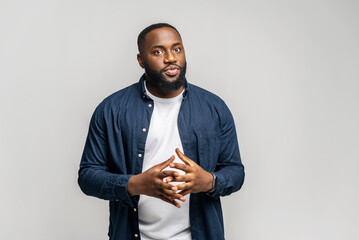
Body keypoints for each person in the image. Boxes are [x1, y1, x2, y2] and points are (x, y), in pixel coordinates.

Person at [78, 23, 245, 240]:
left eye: (177, 49)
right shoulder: (111, 110)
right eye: (158, 51)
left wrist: (209, 181)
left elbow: (235, 170)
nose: (170, 58)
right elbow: (88, 176)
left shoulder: (214, 108)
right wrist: (135, 184)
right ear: (141, 60)